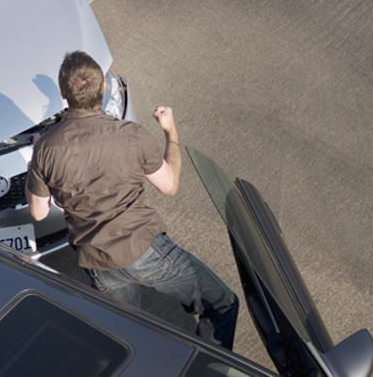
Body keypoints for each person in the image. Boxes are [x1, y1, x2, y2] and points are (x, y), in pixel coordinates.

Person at [25, 51, 239, 350]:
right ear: (103, 89)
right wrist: (170, 131)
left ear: (63, 94)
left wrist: (36, 160)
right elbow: (169, 185)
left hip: (96, 261)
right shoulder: (132, 135)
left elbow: (38, 213)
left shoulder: (46, 148)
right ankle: (209, 365)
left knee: (128, 332)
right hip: (144, 249)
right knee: (222, 304)